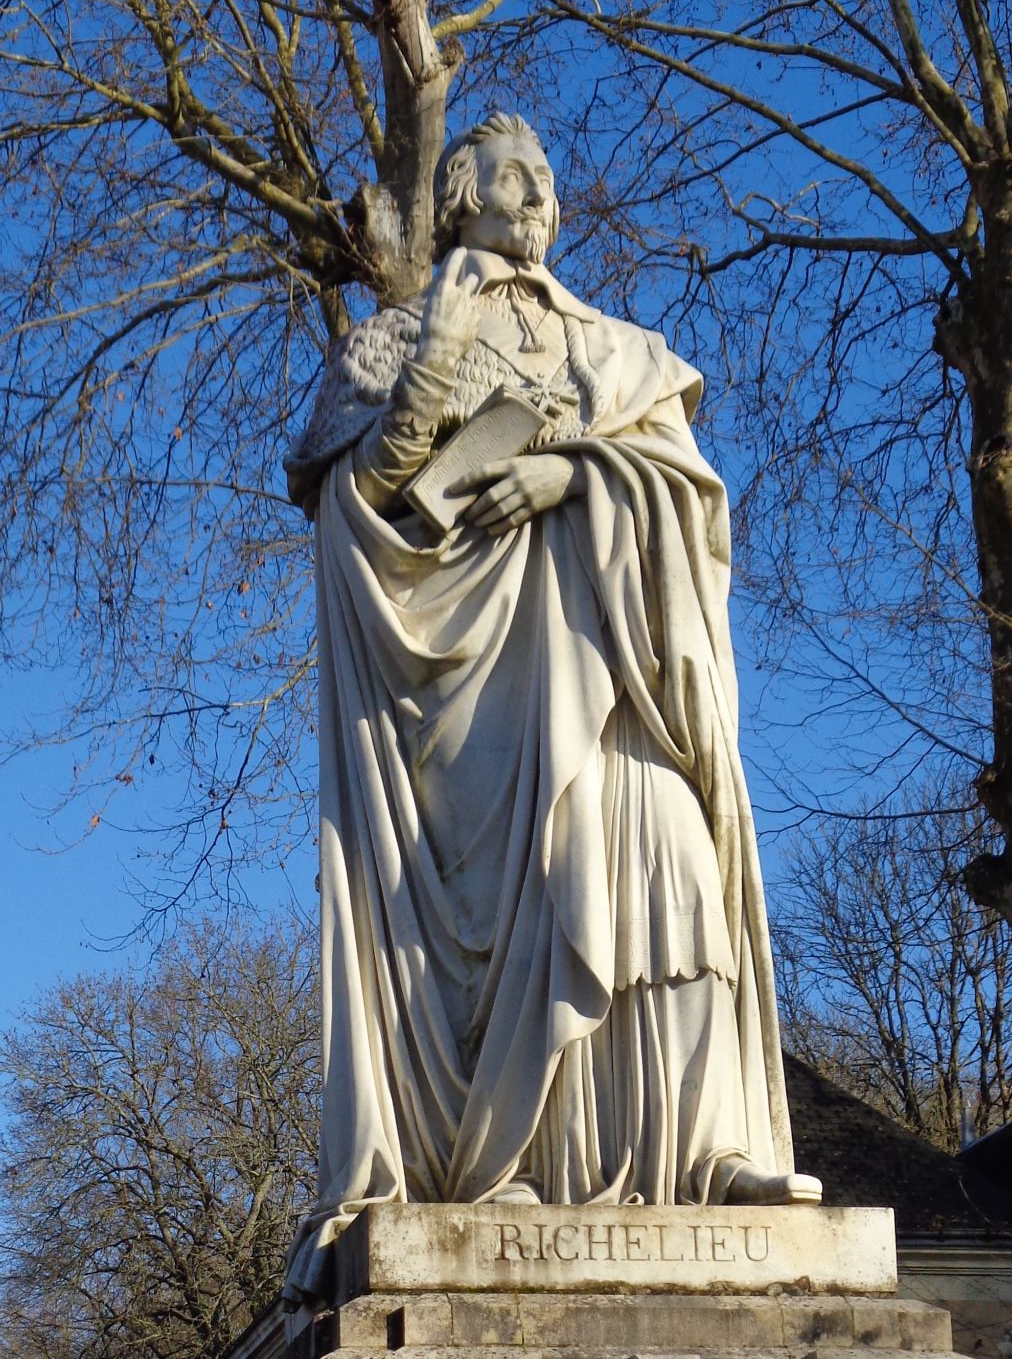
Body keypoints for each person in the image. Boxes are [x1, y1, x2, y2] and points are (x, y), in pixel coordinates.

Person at [284, 113, 819, 1297]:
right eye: (511, 175)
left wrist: (570, 472)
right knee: (515, 896)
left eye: (546, 176)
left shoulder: (620, 349)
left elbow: (690, 503)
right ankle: (498, 1164)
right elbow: (357, 510)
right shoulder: (383, 347)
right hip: (470, 695)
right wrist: (436, 363)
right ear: (460, 198)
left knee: (674, 865)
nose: (536, 193)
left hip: (611, 668)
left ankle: (705, 1153)